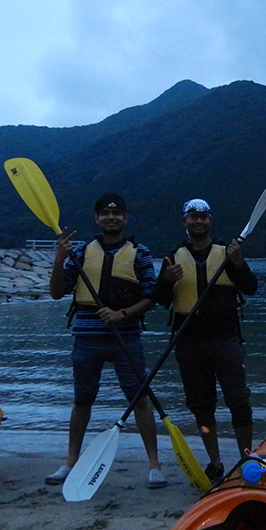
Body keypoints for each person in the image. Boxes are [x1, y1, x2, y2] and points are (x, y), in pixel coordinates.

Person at [45, 193, 166, 489]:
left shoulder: (139, 253)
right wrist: (60, 259)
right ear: (97, 219)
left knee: (139, 399)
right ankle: (70, 461)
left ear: (125, 218)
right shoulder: (82, 252)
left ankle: (154, 465)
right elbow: (57, 292)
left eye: (116, 213)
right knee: (82, 400)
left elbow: (153, 296)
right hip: (87, 338)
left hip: (126, 337)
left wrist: (123, 313)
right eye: (104, 213)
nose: (111, 217)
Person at [153, 198, 259, 481]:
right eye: (192, 217)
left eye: (203, 217)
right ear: (184, 222)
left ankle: (245, 457)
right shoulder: (173, 257)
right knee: (201, 405)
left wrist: (238, 264)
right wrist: (166, 281)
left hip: (225, 338)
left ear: (210, 221)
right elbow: (160, 300)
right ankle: (214, 461)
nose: (198, 221)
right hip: (189, 342)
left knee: (238, 400)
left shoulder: (227, 252)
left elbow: (250, 288)